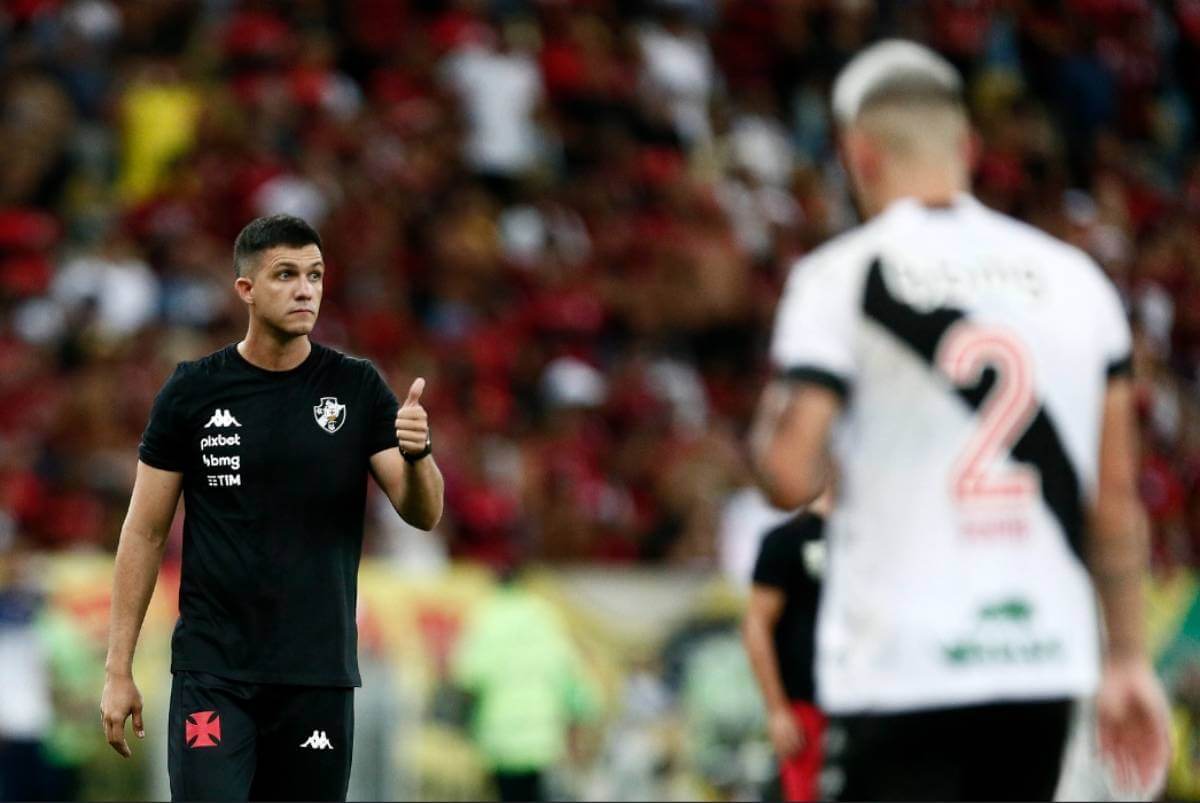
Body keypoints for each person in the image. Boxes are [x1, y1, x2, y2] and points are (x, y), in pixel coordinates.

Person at [749, 40, 1171, 801]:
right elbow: (1114, 500)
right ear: (969, 148)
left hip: (901, 668)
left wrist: (779, 417)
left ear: (860, 154)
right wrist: (1129, 659)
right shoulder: (1078, 282)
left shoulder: (841, 277)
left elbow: (787, 475)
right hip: (1041, 664)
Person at [99, 214, 444, 801]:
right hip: (214, 672)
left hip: (316, 673)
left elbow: (423, 512)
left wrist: (419, 454)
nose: (306, 289)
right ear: (246, 290)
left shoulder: (356, 388)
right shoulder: (192, 391)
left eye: (315, 275)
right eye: (286, 274)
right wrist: (118, 669)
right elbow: (145, 532)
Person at [742, 498, 827, 802]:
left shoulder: (871, 538)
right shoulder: (787, 540)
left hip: (866, 705)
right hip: (806, 705)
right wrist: (777, 709)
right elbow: (756, 625)